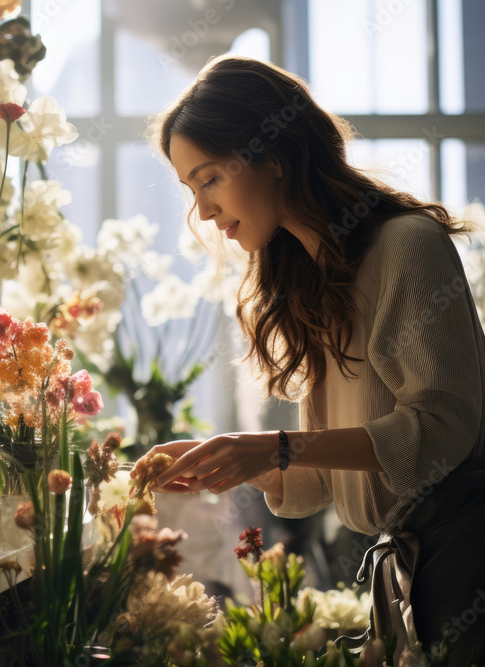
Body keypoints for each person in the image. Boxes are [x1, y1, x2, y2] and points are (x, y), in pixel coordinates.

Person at [136, 54, 485, 664]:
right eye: (193, 190)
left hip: (465, 560)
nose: (205, 212)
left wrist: (271, 448)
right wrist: (224, 456)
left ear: (274, 154)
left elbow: (438, 431)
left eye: (211, 178)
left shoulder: (404, 247)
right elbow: (319, 476)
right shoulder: (313, 278)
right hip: (409, 575)